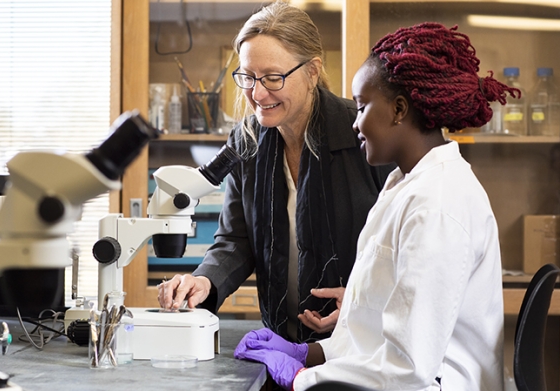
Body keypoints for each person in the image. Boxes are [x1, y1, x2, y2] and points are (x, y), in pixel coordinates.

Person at [234, 22, 519, 391]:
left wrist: (304, 377)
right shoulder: (405, 185)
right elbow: (380, 327)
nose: (355, 124)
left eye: (362, 107)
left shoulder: (437, 205)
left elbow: (407, 367)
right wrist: (312, 353)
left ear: (399, 109)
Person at [157, 1, 394, 343]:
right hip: (284, 340)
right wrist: (204, 281)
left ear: (313, 71)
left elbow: (404, 245)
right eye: (248, 77)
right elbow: (236, 240)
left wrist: (364, 301)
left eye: (272, 77)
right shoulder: (246, 141)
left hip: (365, 341)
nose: (257, 93)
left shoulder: (363, 132)